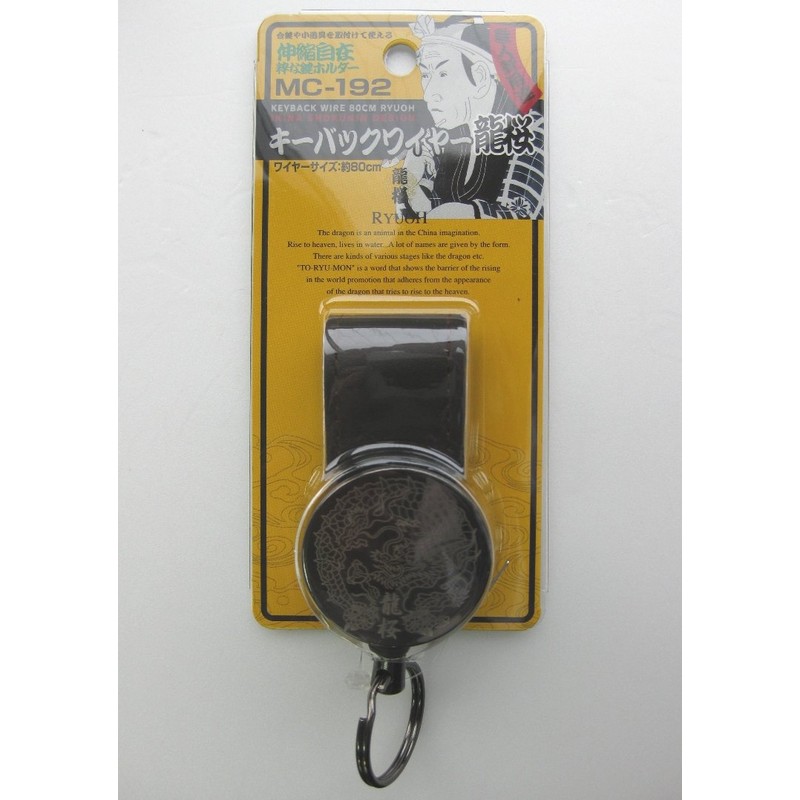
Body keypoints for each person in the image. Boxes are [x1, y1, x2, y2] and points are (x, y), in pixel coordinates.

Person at [400, 15, 544, 220]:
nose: (429, 94)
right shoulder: (447, 129)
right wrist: (412, 183)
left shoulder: (531, 128)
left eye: (443, 74)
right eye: (425, 75)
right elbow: (414, 208)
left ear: (480, 77)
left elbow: (523, 214)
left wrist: (464, 214)